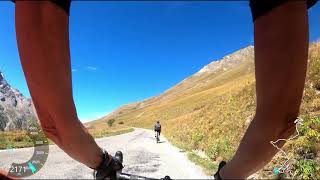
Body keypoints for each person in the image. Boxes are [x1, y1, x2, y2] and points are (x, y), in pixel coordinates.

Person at [0, 0, 318, 179]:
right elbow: (282, 122)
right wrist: (225, 178)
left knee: (154, 132)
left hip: (117, 155)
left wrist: (104, 164)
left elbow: (56, 124)